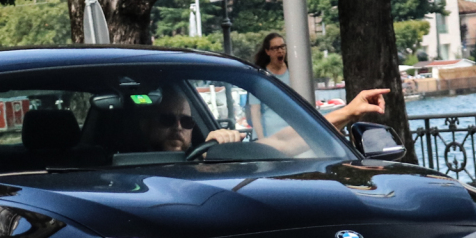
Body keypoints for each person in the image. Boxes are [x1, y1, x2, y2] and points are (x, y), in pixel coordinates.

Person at [140, 85, 390, 157]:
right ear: (145, 125)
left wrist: (349, 113)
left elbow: (282, 142)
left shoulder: (208, 156)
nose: (177, 127)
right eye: (166, 120)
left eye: (186, 122)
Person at [250, 33, 291, 139]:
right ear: (267, 51)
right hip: (270, 137)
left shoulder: (294, 72)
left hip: (293, 136)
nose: (280, 51)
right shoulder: (259, 77)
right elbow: (255, 112)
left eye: (282, 47)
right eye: (275, 48)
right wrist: (262, 139)